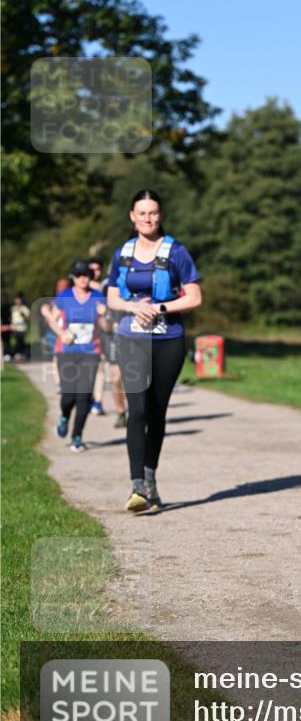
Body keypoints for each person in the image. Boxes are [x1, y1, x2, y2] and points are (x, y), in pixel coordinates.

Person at [106, 189, 202, 513]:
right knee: (137, 410)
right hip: (131, 338)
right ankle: (137, 488)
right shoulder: (122, 253)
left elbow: (194, 297)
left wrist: (160, 307)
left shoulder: (177, 252)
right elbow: (112, 297)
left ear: (160, 216)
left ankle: (150, 478)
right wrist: (133, 306)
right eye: (142, 213)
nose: (148, 219)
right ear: (132, 216)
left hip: (168, 339)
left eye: (153, 213)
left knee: (157, 411)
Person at [44, 262, 109, 452]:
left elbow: (107, 327)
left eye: (86, 275)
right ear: (73, 277)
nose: (83, 279)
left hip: (91, 352)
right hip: (67, 352)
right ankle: (64, 417)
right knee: (68, 397)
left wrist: (105, 315)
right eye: (79, 275)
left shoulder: (98, 297)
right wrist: (62, 333)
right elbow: (52, 319)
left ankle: (77, 436)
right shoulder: (64, 296)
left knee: (84, 397)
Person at [87, 256, 108, 416]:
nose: (95, 272)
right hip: (84, 332)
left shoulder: (106, 286)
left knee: (100, 367)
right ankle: (87, 397)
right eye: (92, 269)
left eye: (98, 269)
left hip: (102, 331)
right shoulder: (81, 286)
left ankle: (98, 402)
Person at [10, 292, 31, 360]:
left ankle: (23, 354)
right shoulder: (13, 308)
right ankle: (18, 353)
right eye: (16, 300)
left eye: (18, 300)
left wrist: (23, 316)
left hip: (22, 328)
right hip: (14, 328)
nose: (17, 301)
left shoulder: (24, 308)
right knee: (17, 341)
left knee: (21, 341)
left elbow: (28, 317)